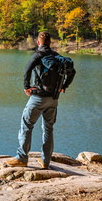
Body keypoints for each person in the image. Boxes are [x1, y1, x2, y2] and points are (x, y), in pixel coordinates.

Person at [6, 31, 69, 169]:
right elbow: (71, 71)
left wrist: (26, 87)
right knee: (48, 129)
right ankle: (45, 161)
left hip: (38, 98)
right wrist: (64, 87)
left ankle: (22, 158)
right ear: (50, 43)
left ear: (38, 43)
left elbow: (27, 70)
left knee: (26, 125)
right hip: (53, 99)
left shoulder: (38, 55)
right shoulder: (57, 56)